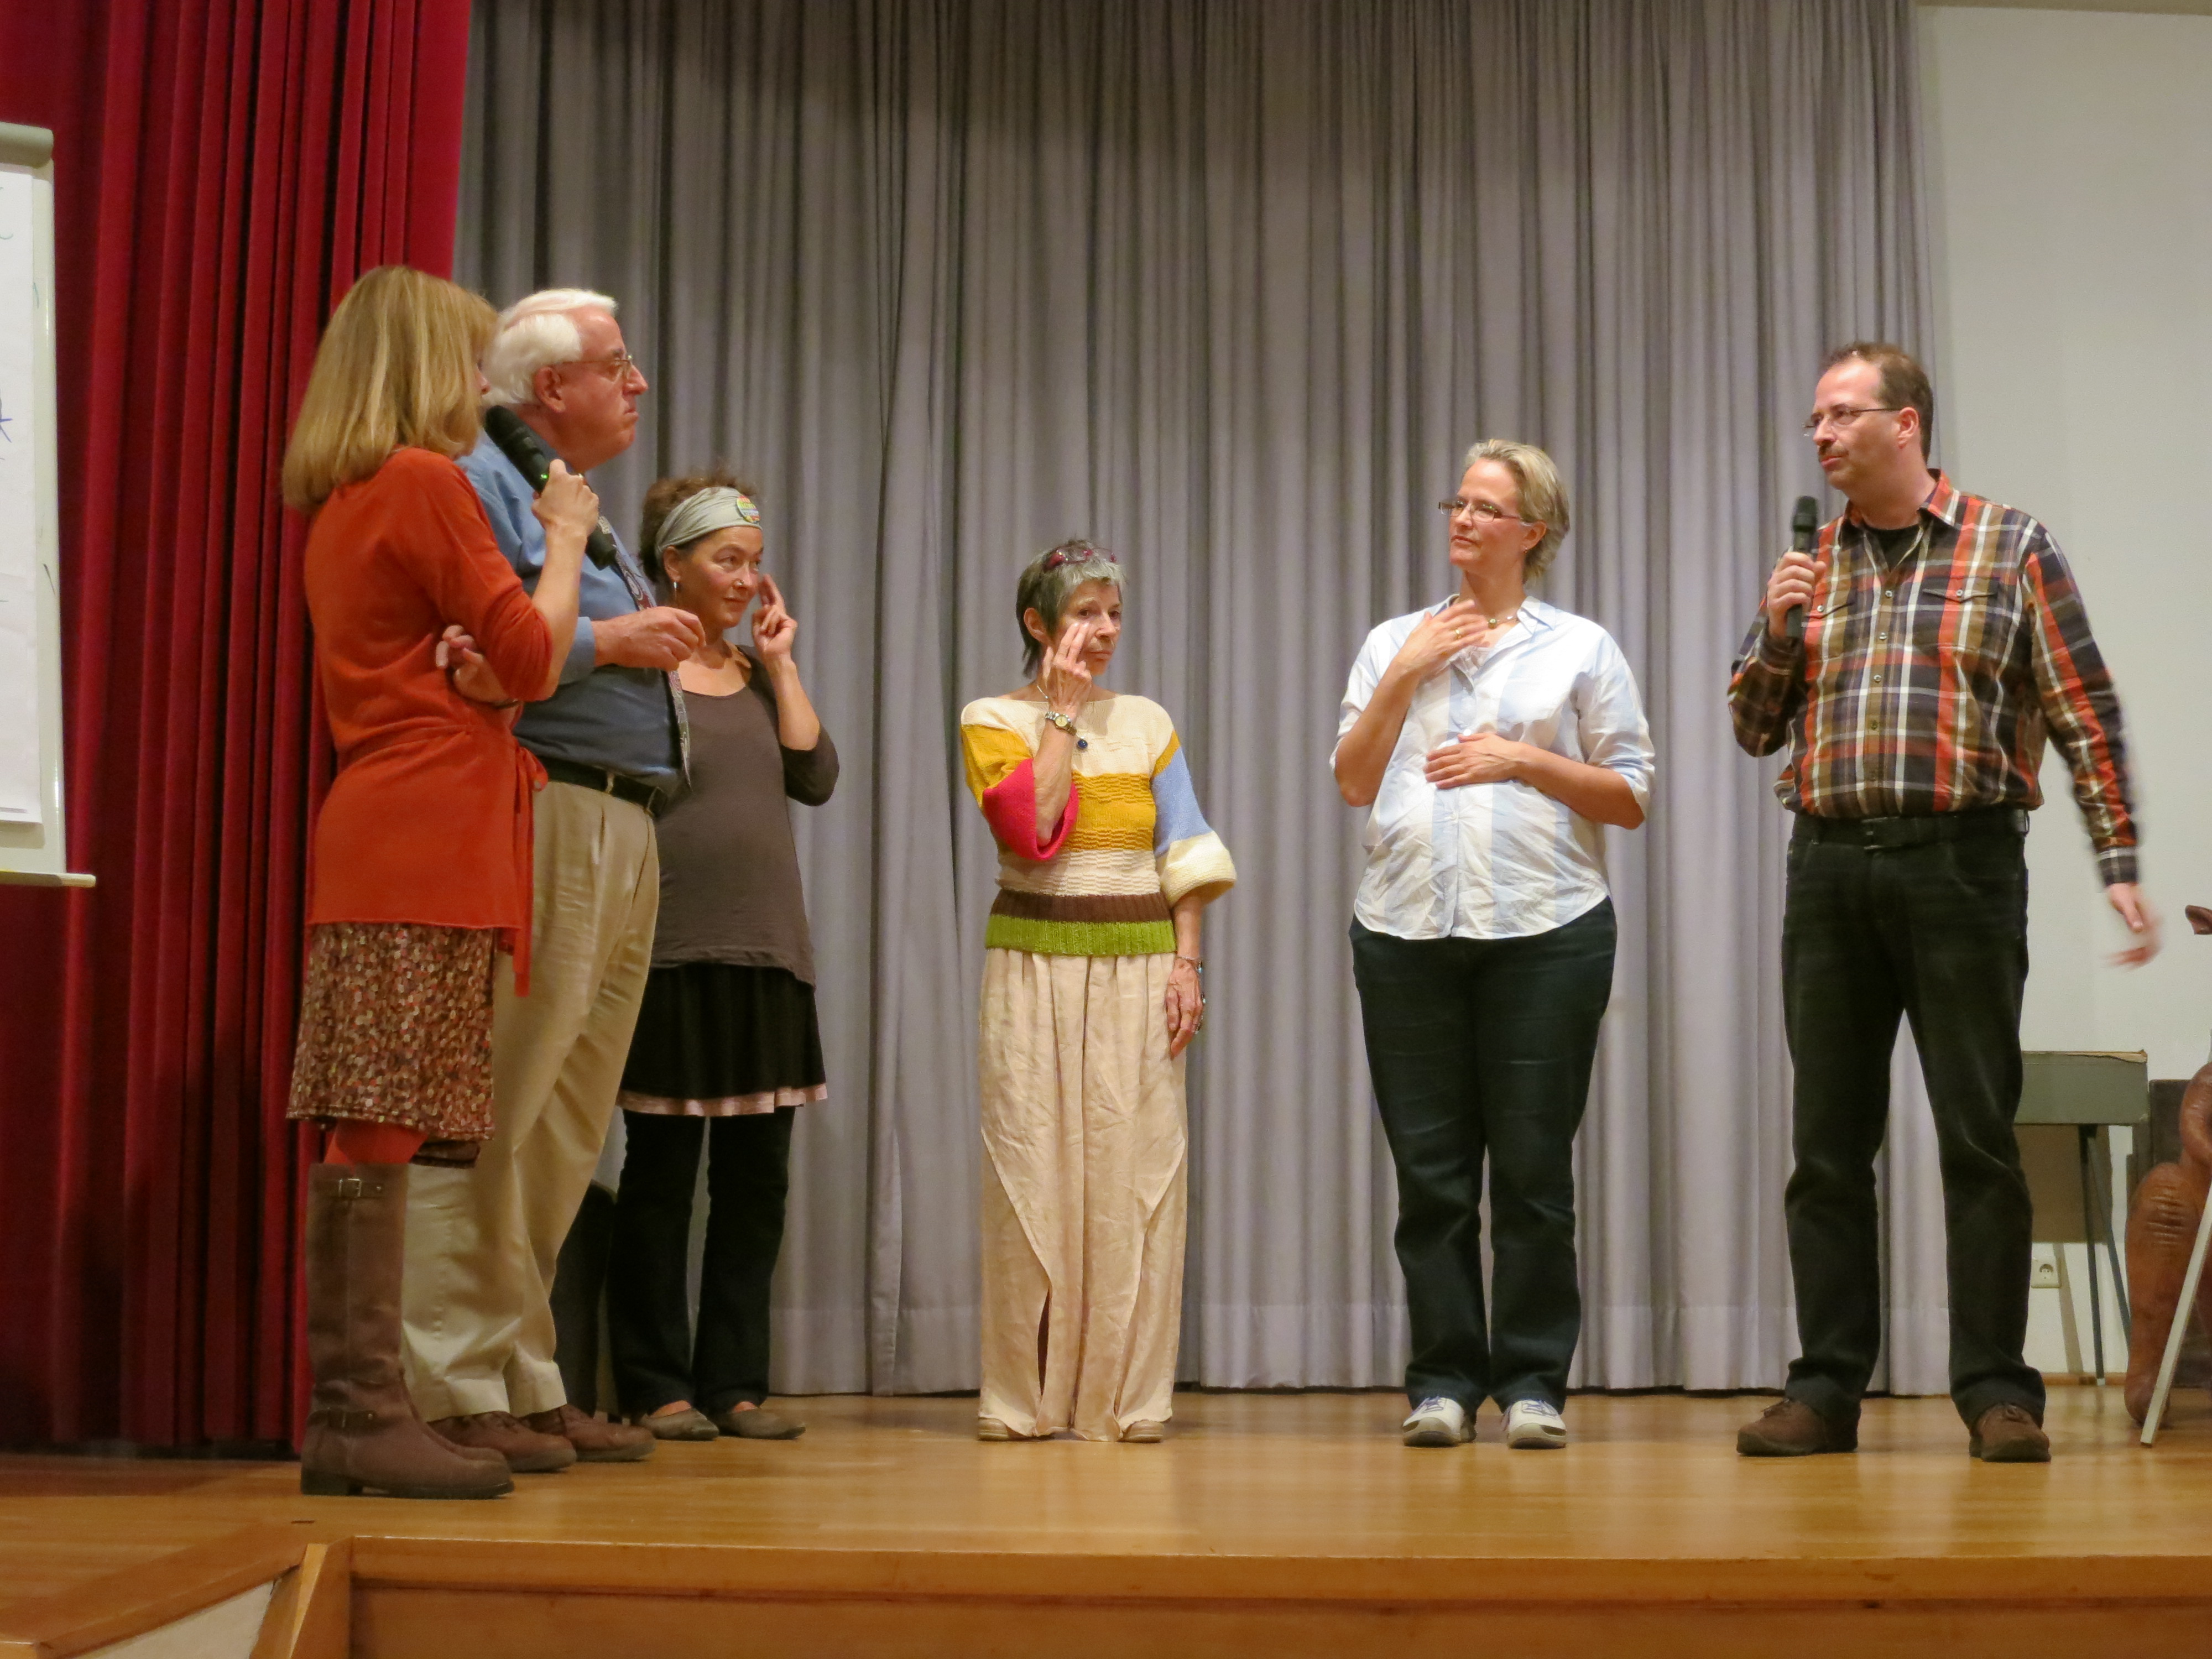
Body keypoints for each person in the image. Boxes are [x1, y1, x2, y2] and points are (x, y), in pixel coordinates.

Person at [1728, 342, 2154, 1463]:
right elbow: (1753, 727)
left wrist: (2116, 858)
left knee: (1977, 1139)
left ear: (1905, 423)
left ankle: (1997, 1393)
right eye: (1815, 419)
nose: (1820, 435)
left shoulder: (2009, 546)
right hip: (1828, 868)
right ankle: (1824, 1388)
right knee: (1826, 1147)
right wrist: (1775, 630)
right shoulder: (1809, 564)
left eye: (1840, 414)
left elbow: (2082, 707)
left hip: (1962, 869)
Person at [279, 265, 597, 1498]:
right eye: (467, 361)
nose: (481, 386)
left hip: (407, 828)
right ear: (422, 366)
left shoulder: (351, 495)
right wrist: (560, 542)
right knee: (382, 1120)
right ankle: (358, 1413)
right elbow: (532, 657)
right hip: (423, 838)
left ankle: (365, 1410)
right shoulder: (420, 480)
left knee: (391, 1116)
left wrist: (475, 673)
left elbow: (476, 667)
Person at [400, 289, 705, 1472]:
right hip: (548, 803)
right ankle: (450, 1379)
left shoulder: (565, 495)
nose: (637, 384)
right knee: (504, 1107)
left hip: (625, 821)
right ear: (547, 387)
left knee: (568, 1130)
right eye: (615, 365)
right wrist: (613, 643)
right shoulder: (480, 482)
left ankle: (525, 1376)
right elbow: (478, 653)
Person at [1334, 440, 1653, 1452]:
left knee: (1531, 1174)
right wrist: (1406, 674)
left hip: (1546, 932)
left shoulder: (1581, 647)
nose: (1462, 521)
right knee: (1429, 1179)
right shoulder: (1394, 641)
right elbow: (1353, 779)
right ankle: (1441, 1382)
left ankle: (1531, 1383)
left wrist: (1522, 759)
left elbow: (1631, 794)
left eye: (1484, 508)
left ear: (1533, 531)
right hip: (1404, 929)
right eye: (1456, 504)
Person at [958, 542, 1235, 1443]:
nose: (1105, 629)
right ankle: (1026, 1398)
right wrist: (1061, 716)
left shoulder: (1148, 722)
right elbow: (1031, 831)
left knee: (1135, 1172)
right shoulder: (991, 719)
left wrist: (1187, 964)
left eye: (1113, 612)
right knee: (1030, 1172)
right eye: (1084, 613)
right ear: (1037, 624)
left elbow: (1184, 850)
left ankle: (1123, 1398)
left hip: (1138, 966)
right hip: (1033, 964)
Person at [604, 473, 837, 1443]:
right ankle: (654, 1383)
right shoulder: (638, 669)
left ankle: (734, 1383)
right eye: (726, 561)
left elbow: (815, 776)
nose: (745, 579)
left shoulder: (754, 673)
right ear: (674, 564)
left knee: (756, 1185)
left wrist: (781, 664)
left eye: (754, 562)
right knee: (662, 1179)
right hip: (669, 952)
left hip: (768, 952)